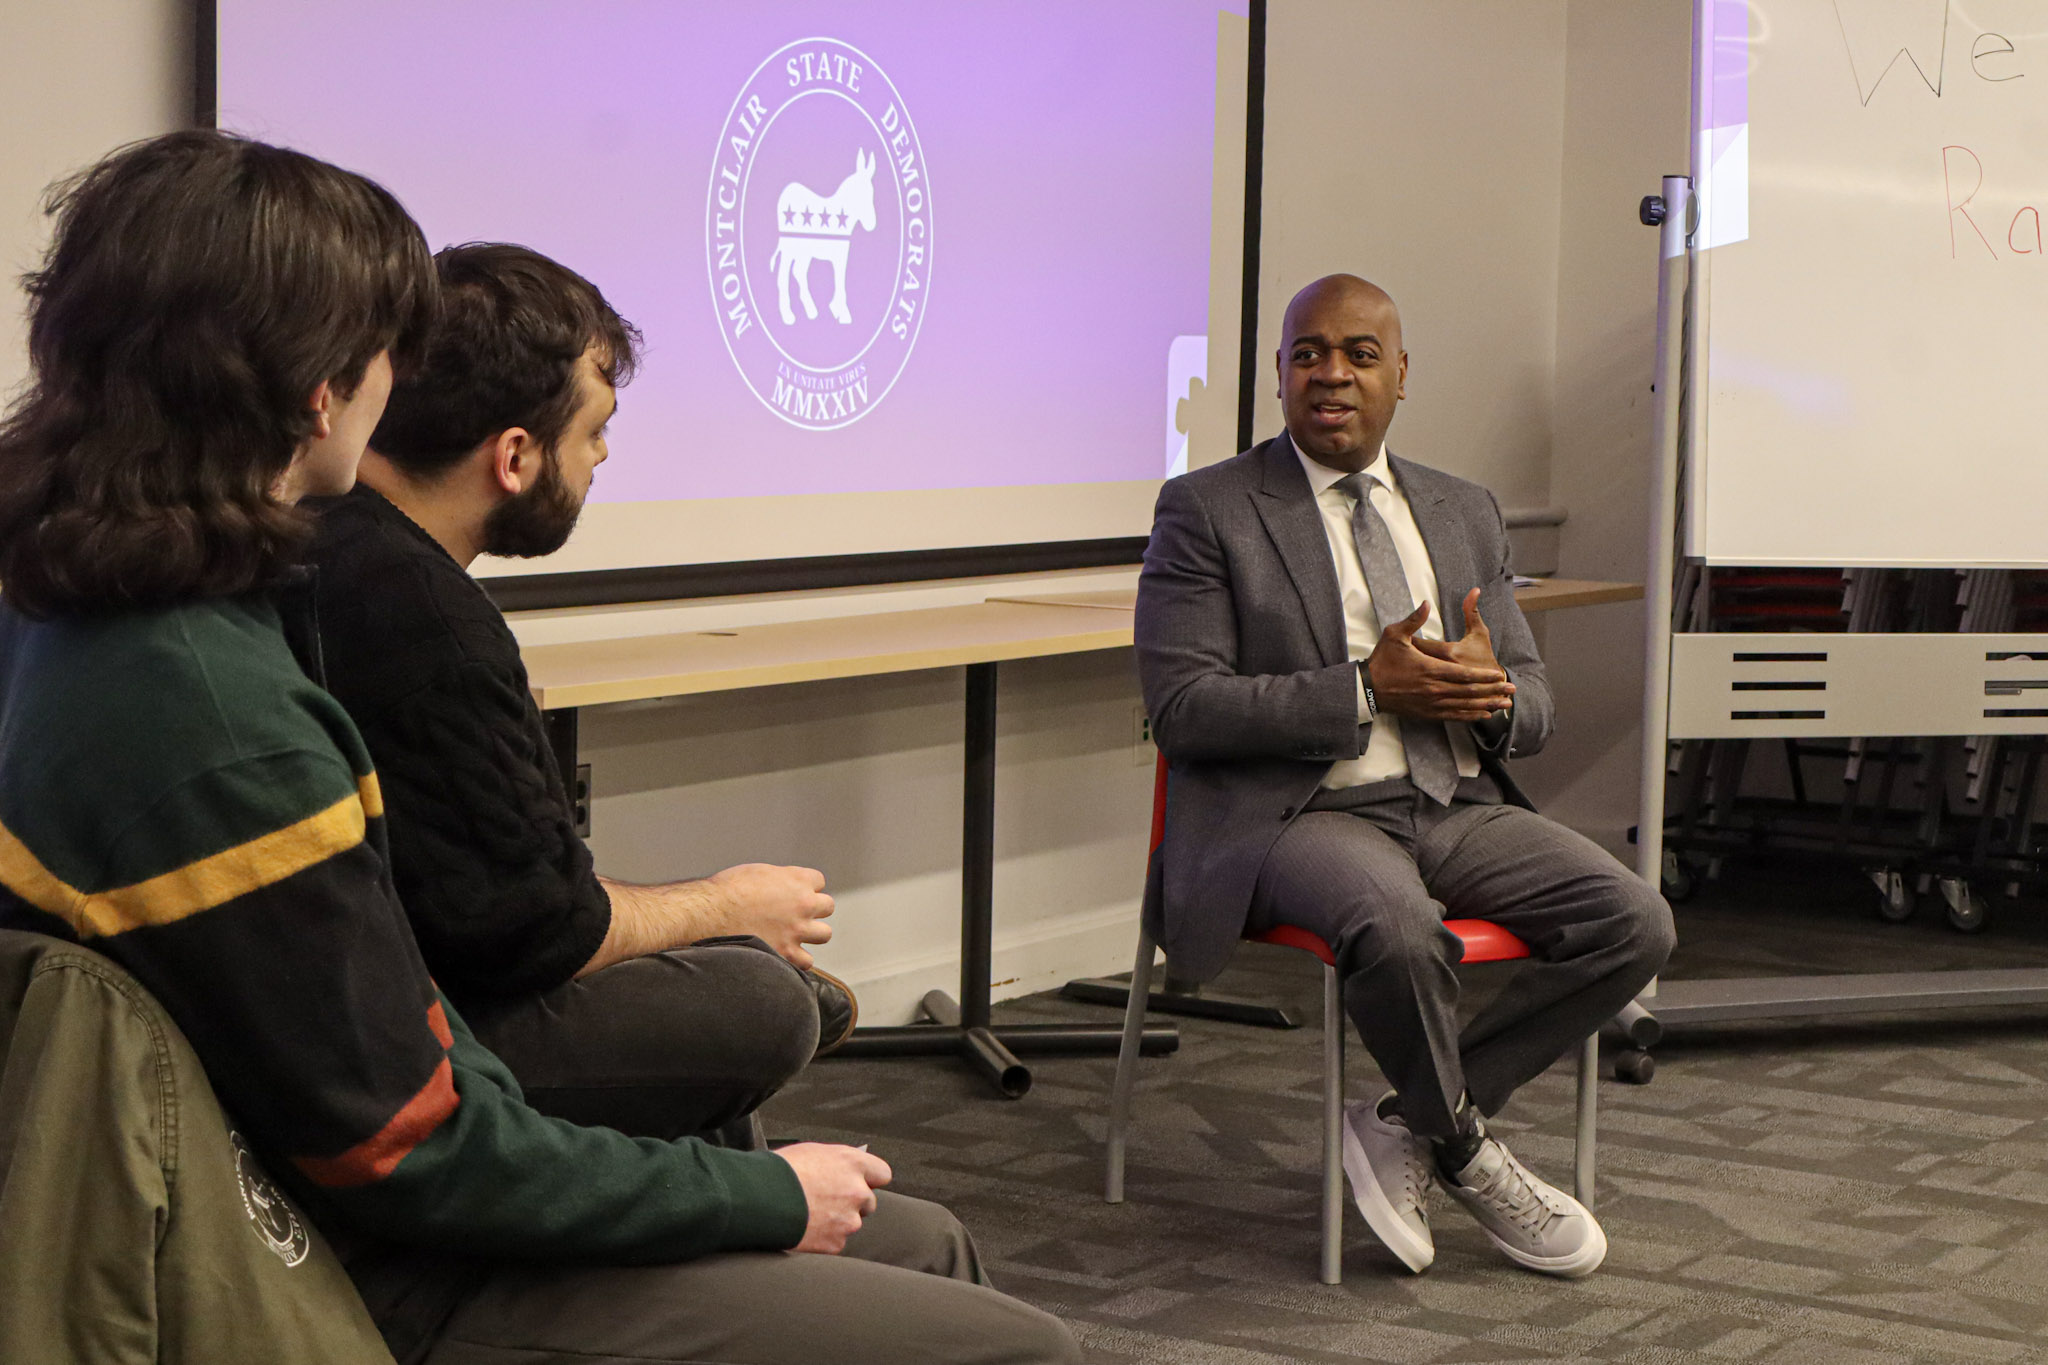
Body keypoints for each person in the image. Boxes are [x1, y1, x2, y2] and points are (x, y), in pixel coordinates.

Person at [0, 130, 1077, 1365]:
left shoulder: (72, 609)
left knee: (917, 1239)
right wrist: (754, 1194)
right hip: (351, 1269)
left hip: (295, 1186)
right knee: (1016, 1342)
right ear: (318, 392)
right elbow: (418, 1150)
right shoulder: (222, 727)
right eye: (384, 351)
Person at [1134, 273, 1673, 1279]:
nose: (1330, 374)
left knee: (1634, 920)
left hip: (1452, 801)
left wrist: (1490, 695)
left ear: (1400, 375)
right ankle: (1467, 1148)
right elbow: (1184, 708)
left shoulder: (1462, 509)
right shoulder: (1209, 508)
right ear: (1280, 373)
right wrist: (1362, 689)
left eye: (1358, 354)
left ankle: (1409, 1118)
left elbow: (1535, 703)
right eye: (1307, 354)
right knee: (1395, 926)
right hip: (1301, 809)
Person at [304, 242, 849, 1148]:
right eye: (593, 430)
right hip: (409, 1039)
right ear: (515, 455)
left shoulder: (335, 541)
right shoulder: (427, 622)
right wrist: (725, 905)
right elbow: (531, 933)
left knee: (720, 974)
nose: (602, 455)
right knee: (766, 1000)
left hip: (382, 989)